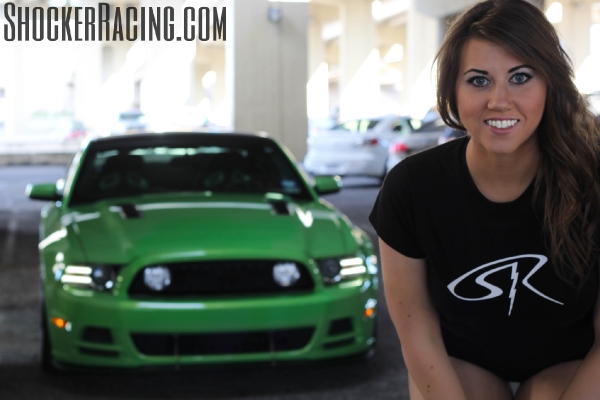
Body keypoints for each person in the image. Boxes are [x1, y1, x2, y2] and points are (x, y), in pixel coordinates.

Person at [369, 0, 600, 399]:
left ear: (550, 83)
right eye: (478, 81)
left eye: (520, 77)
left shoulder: (592, 179)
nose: (499, 100)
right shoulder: (411, 187)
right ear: (451, 90)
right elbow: (417, 332)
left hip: (571, 361)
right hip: (463, 361)